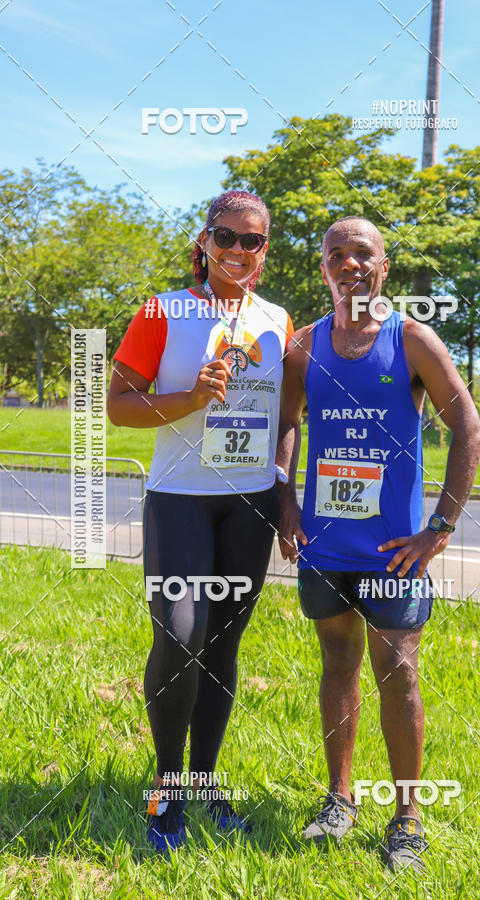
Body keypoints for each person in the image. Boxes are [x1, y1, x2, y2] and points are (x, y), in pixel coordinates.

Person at [276, 215, 480, 873]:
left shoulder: (413, 340)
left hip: (395, 551)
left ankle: (408, 820)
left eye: (362, 252)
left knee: (398, 671)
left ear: (382, 266)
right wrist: (286, 504)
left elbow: (469, 429)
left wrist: (440, 528)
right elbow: (286, 425)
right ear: (324, 268)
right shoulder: (306, 346)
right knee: (337, 661)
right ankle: (339, 800)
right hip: (325, 547)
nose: (349, 263)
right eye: (336, 253)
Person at [107, 190, 293, 852]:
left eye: (253, 240)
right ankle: (165, 789)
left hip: (249, 503)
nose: (239, 250)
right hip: (180, 498)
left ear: (265, 250)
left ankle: (206, 786)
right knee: (182, 634)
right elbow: (118, 405)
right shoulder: (164, 310)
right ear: (205, 240)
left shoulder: (277, 320)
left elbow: (285, 418)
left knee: (221, 649)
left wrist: (282, 486)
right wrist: (188, 398)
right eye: (226, 237)